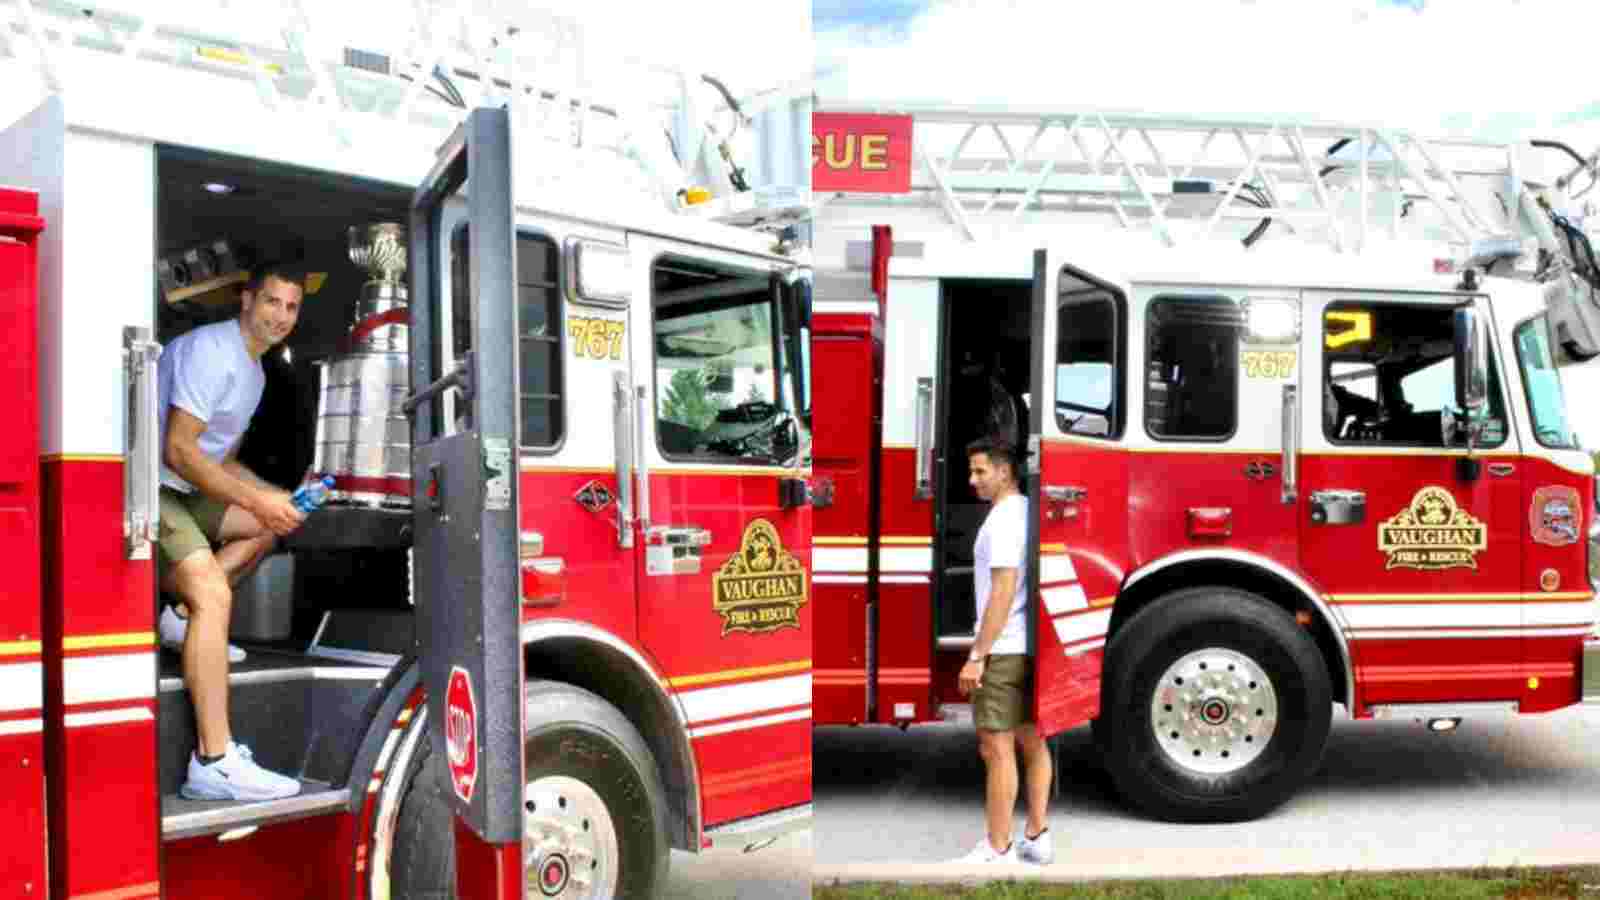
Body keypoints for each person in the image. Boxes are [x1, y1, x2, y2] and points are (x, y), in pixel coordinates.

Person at [155, 262, 307, 801]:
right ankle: (213, 761)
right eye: (271, 302)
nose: (281, 316)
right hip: (154, 486)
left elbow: (222, 461)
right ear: (246, 300)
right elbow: (177, 448)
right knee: (215, 594)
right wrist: (256, 498)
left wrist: (274, 501)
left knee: (266, 529)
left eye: (291, 307)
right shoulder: (210, 351)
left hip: (189, 486)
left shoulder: (256, 372)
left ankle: (178, 617)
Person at [952, 435, 1053, 865]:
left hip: (1004, 647)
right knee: (1033, 739)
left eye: (980, 471)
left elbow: (1003, 589)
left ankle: (998, 849)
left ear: (1005, 471)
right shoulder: (1027, 510)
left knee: (996, 748)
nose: (972, 480)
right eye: (971, 471)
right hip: (1027, 643)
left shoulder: (1003, 520)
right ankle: (1037, 836)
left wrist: (978, 655)